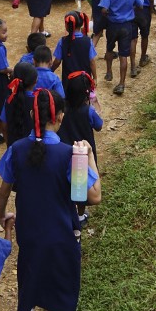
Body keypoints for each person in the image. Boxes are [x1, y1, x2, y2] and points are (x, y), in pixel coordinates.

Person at [0, 89, 101, 311]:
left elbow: (4, 192)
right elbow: (92, 197)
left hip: (28, 231)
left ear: (33, 115)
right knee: (54, 282)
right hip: (59, 234)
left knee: (29, 275)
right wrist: (87, 156)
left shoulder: (17, 149)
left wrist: (2, 216)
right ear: (61, 117)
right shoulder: (71, 155)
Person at [57, 71, 102, 233]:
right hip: (82, 153)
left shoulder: (61, 107)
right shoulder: (87, 111)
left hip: (63, 152)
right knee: (81, 186)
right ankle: (81, 215)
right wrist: (94, 103)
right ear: (86, 94)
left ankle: (67, 212)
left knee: (65, 184)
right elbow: (99, 125)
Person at [98, 0, 145, 94]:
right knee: (124, 55)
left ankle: (108, 72)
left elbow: (103, 10)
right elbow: (141, 5)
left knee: (109, 49)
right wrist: (130, 9)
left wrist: (110, 13)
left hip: (113, 25)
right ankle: (122, 84)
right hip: (127, 26)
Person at [52, 11, 97, 89]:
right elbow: (92, 61)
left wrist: (51, 70)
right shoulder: (88, 41)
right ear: (82, 23)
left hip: (68, 82)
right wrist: (95, 78)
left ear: (67, 25)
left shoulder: (63, 41)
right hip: (84, 81)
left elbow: (57, 61)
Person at [1, 61, 38, 145]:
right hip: (33, 149)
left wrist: (9, 144)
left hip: (14, 147)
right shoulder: (38, 101)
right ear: (35, 81)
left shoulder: (9, 100)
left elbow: (3, 126)